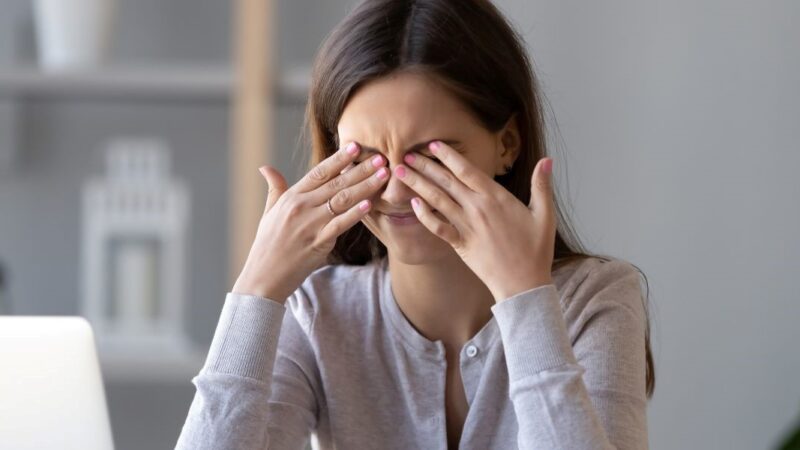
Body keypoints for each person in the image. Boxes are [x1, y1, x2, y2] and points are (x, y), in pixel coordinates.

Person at [176, 0, 655, 448]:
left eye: (428, 156)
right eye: (365, 159)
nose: (395, 191)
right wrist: (257, 290)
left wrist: (525, 299)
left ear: (506, 143)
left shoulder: (595, 300)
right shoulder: (317, 313)